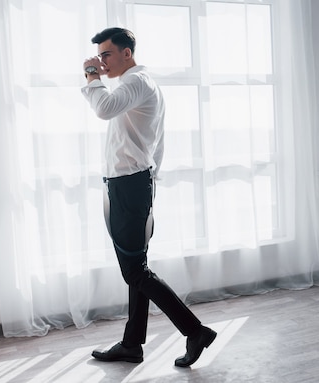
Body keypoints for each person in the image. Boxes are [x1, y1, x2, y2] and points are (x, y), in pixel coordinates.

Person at [81, 27, 216, 368]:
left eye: (106, 54)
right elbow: (158, 143)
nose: (101, 61)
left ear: (127, 53)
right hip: (131, 183)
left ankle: (195, 330)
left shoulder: (136, 83)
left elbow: (103, 108)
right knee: (135, 270)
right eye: (98, 56)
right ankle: (132, 344)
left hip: (130, 185)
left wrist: (90, 76)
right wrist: (148, 179)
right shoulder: (139, 85)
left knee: (136, 272)